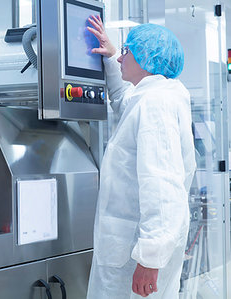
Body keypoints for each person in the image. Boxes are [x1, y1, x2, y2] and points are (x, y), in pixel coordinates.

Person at [85, 16, 196, 298]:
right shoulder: (155, 97)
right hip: (133, 246)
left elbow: (161, 187)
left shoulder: (155, 105)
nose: (121, 58)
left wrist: (149, 258)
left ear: (146, 58)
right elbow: (126, 100)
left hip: (135, 252)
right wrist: (110, 57)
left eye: (127, 52)